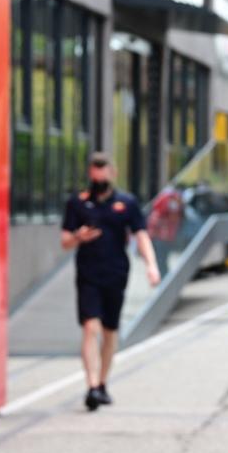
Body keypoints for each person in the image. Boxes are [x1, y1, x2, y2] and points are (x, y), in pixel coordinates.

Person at [61, 153, 160, 411]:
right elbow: (64, 242)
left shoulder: (126, 203)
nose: (99, 179)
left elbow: (141, 235)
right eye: (95, 173)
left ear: (112, 173)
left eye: (103, 173)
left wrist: (151, 265)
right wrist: (78, 237)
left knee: (109, 331)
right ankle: (92, 385)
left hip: (116, 274)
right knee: (90, 327)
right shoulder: (78, 203)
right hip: (88, 275)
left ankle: (103, 382)